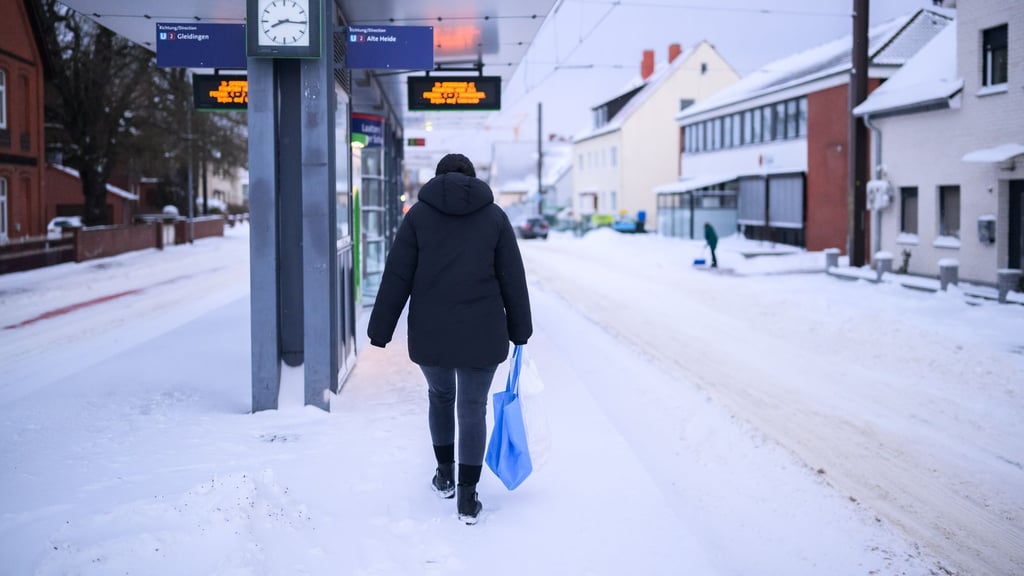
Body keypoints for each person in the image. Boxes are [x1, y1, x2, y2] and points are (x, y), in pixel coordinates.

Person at [367, 153, 533, 525]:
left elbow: (397, 275)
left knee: (440, 397)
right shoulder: (494, 218)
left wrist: (381, 329)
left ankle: (444, 475)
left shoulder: (418, 218)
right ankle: (468, 496)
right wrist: (520, 329)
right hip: (482, 331)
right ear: (472, 180)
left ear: (438, 179)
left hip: (431, 331)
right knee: (472, 408)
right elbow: (513, 278)